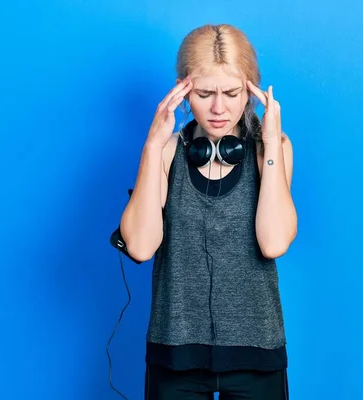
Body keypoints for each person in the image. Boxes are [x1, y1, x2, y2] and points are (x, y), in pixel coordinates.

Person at [120, 23, 297, 400]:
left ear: (251, 91)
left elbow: (274, 241)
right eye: (204, 93)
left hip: (256, 353)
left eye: (232, 93)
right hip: (175, 354)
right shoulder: (167, 153)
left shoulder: (273, 150)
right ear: (182, 89)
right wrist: (152, 148)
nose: (219, 108)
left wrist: (268, 145)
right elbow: (139, 246)